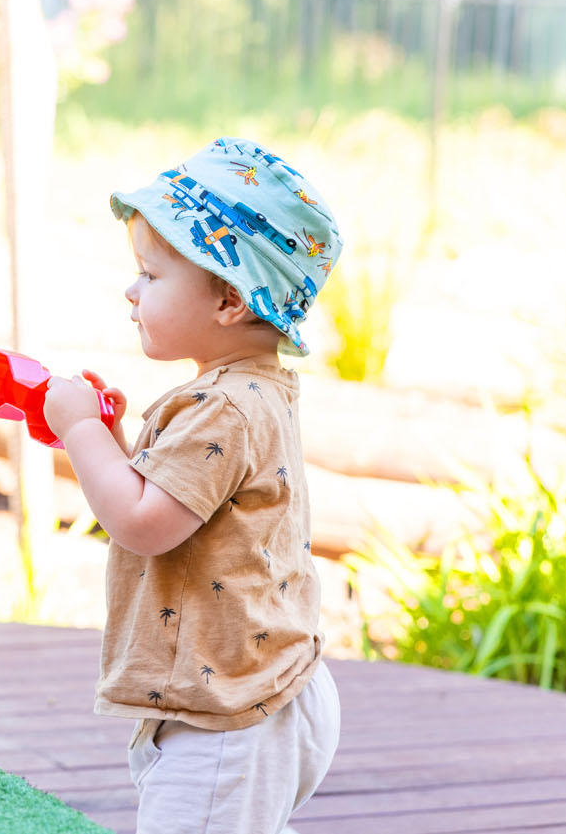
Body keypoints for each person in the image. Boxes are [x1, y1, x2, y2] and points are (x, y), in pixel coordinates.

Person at [42, 137, 344, 834]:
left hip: (230, 721)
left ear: (230, 299)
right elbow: (183, 504)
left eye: (149, 273)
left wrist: (80, 431)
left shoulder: (222, 407)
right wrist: (119, 444)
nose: (131, 289)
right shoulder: (253, 391)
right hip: (267, 688)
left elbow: (143, 522)